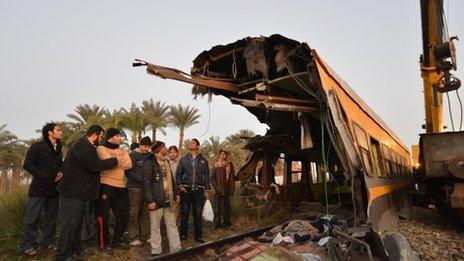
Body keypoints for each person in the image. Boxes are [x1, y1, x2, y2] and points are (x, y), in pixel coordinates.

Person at [56, 125, 120, 261]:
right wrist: (114, 161)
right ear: (95, 135)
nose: (101, 139)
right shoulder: (82, 146)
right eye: (101, 137)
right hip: (72, 193)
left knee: (77, 224)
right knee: (70, 225)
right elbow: (94, 166)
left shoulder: (87, 145)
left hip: (79, 193)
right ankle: (63, 255)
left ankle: (75, 249)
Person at [20, 123, 63, 257]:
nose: (61, 132)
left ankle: (48, 242)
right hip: (39, 188)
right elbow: (27, 164)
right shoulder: (37, 146)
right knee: (32, 218)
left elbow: (60, 165)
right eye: (58, 130)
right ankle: (27, 245)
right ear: (50, 133)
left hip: (54, 189)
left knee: (51, 217)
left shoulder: (58, 147)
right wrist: (42, 175)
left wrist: (62, 172)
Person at [95, 128, 132, 251]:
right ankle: (104, 244)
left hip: (121, 186)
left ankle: (116, 241)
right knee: (103, 216)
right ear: (111, 137)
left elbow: (129, 164)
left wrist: (115, 162)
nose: (121, 138)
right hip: (106, 185)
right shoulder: (101, 149)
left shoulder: (123, 150)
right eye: (118, 136)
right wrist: (118, 162)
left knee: (123, 216)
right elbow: (108, 162)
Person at [142, 141, 181, 256]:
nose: (166, 148)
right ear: (159, 149)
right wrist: (150, 201)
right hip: (156, 201)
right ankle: (156, 252)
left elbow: (172, 180)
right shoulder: (149, 162)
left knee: (172, 225)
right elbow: (146, 183)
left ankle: (176, 249)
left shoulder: (167, 161)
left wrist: (176, 194)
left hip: (169, 200)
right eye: (164, 147)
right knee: (155, 227)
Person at [176, 138, 211, 243]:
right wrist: (180, 185)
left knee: (197, 214)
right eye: (190, 143)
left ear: (197, 146)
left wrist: (207, 190)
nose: (191, 144)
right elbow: (178, 174)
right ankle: (183, 235)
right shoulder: (183, 159)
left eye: (193, 143)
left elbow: (207, 176)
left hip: (199, 190)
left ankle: (198, 236)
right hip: (186, 190)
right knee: (185, 213)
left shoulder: (203, 160)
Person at [126, 136, 152, 247]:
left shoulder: (150, 156)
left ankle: (145, 236)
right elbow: (128, 172)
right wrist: (141, 179)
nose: (147, 149)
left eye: (149, 147)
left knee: (146, 214)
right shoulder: (133, 155)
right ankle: (134, 238)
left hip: (147, 190)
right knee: (134, 213)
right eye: (145, 146)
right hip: (135, 189)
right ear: (140, 145)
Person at [211, 150, 235, 229]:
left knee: (227, 207)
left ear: (226, 155)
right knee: (217, 208)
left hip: (227, 188)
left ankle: (227, 224)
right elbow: (212, 178)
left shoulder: (230, 164)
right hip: (219, 189)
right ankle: (217, 224)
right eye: (221, 154)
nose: (222, 156)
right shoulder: (216, 165)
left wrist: (232, 189)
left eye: (224, 154)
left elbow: (232, 177)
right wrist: (216, 188)